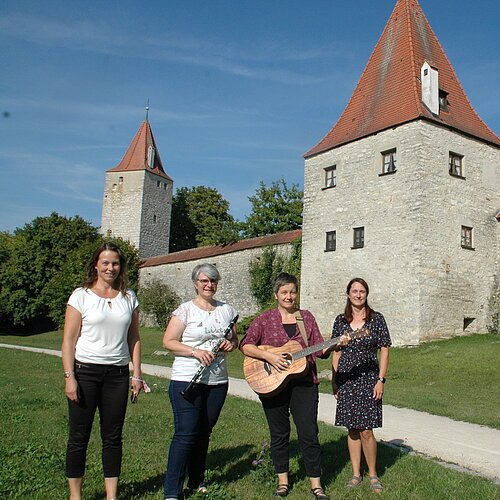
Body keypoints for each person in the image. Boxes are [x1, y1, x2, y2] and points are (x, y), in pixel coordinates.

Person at [61, 242, 144, 500]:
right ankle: (76, 496)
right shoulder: (81, 296)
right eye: (105, 262)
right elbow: (68, 340)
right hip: (85, 372)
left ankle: (111, 496)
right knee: (79, 436)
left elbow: (135, 338)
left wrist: (137, 374)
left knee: (113, 437)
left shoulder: (129, 297)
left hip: (117, 375)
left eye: (115, 263)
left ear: (121, 267)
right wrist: (69, 377)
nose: (111, 268)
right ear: (96, 265)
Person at [240, 272, 331, 500]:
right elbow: (246, 345)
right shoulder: (264, 319)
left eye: (292, 291)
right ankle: (283, 481)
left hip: (304, 383)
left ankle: (316, 485)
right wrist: (269, 357)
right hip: (271, 383)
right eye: (284, 292)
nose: (289, 296)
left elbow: (319, 350)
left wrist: (337, 344)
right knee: (279, 434)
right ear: (276, 295)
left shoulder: (306, 318)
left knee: (309, 433)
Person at [162, 263, 238, 500]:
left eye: (213, 281)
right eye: (204, 281)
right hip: (187, 379)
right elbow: (169, 341)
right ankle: (172, 491)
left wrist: (230, 345)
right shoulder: (185, 310)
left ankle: (196, 480)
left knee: (204, 432)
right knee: (186, 433)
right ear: (195, 283)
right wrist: (195, 352)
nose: (209, 285)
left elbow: (234, 340)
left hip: (217, 381)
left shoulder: (227, 310)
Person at [331, 278, 391, 494]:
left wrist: (380, 380)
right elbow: (336, 352)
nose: (358, 295)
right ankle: (356, 474)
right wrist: (335, 381)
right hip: (346, 380)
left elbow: (384, 349)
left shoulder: (377, 319)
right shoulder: (340, 321)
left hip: (368, 380)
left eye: (362, 291)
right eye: (354, 291)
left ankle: (373, 474)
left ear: (367, 294)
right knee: (352, 429)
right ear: (348, 294)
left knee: (366, 429)